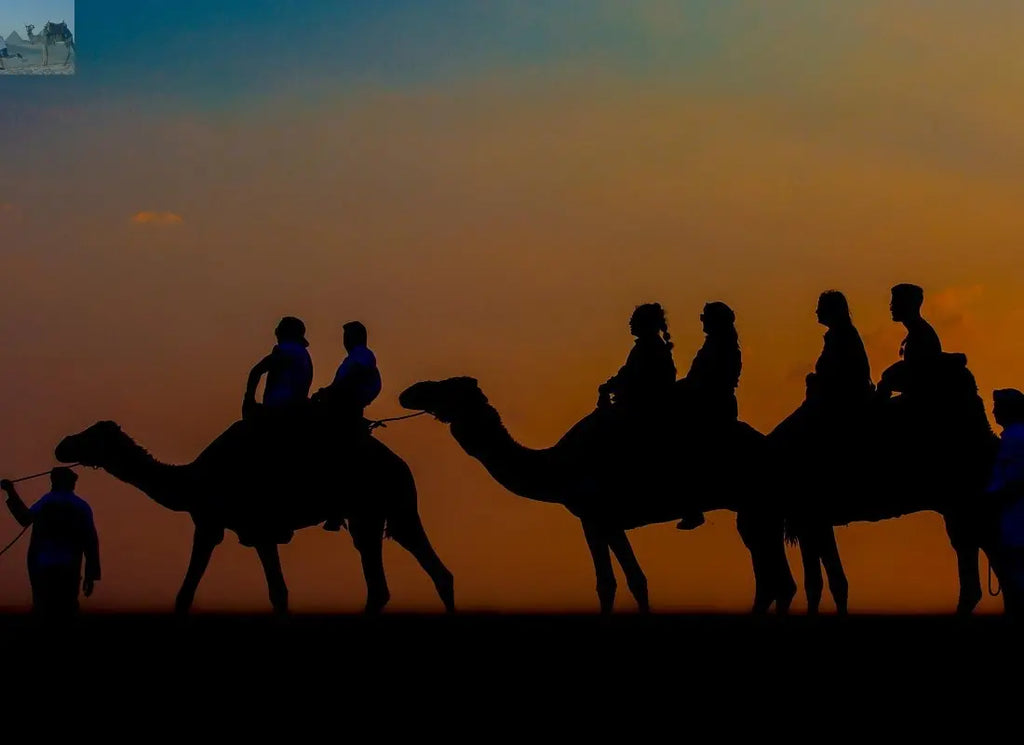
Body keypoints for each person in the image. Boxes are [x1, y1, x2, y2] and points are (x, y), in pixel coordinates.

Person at [0, 467, 100, 618]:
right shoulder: (81, 506)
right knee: (67, 610)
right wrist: (90, 575)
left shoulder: (46, 502)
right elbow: (90, 542)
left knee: (43, 610)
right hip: (69, 567)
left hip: (42, 566)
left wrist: (11, 491)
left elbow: (24, 518)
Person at [313, 321, 382, 531]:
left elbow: (354, 376)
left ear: (356, 337)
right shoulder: (353, 358)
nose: (345, 340)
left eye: (348, 336)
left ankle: (336, 505)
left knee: (330, 451)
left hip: (347, 410)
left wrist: (331, 391)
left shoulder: (362, 355)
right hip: (341, 406)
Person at [599, 303, 676, 416]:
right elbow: (626, 373)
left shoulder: (649, 349)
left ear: (644, 323)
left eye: (633, 320)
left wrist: (612, 389)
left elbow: (637, 379)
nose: (630, 323)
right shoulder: (645, 347)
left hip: (643, 410)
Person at [986, 389, 1024, 616]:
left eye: (998, 407)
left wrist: (992, 497)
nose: (994, 411)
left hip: (1018, 522)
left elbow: (1015, 479)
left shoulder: (1016, 438)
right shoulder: (1013, 436)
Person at [876, 284, 942, 400]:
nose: (891, 307)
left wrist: (887, 379)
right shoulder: (917, 332)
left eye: (895, 301)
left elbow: (918, 377)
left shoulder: (920, 334)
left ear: (907, 304)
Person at [243, 316, 314, 421]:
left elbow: (256, 371)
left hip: (279, 410)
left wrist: (249, 399)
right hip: (295, 408)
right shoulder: (304, 355)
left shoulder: (285, 350)